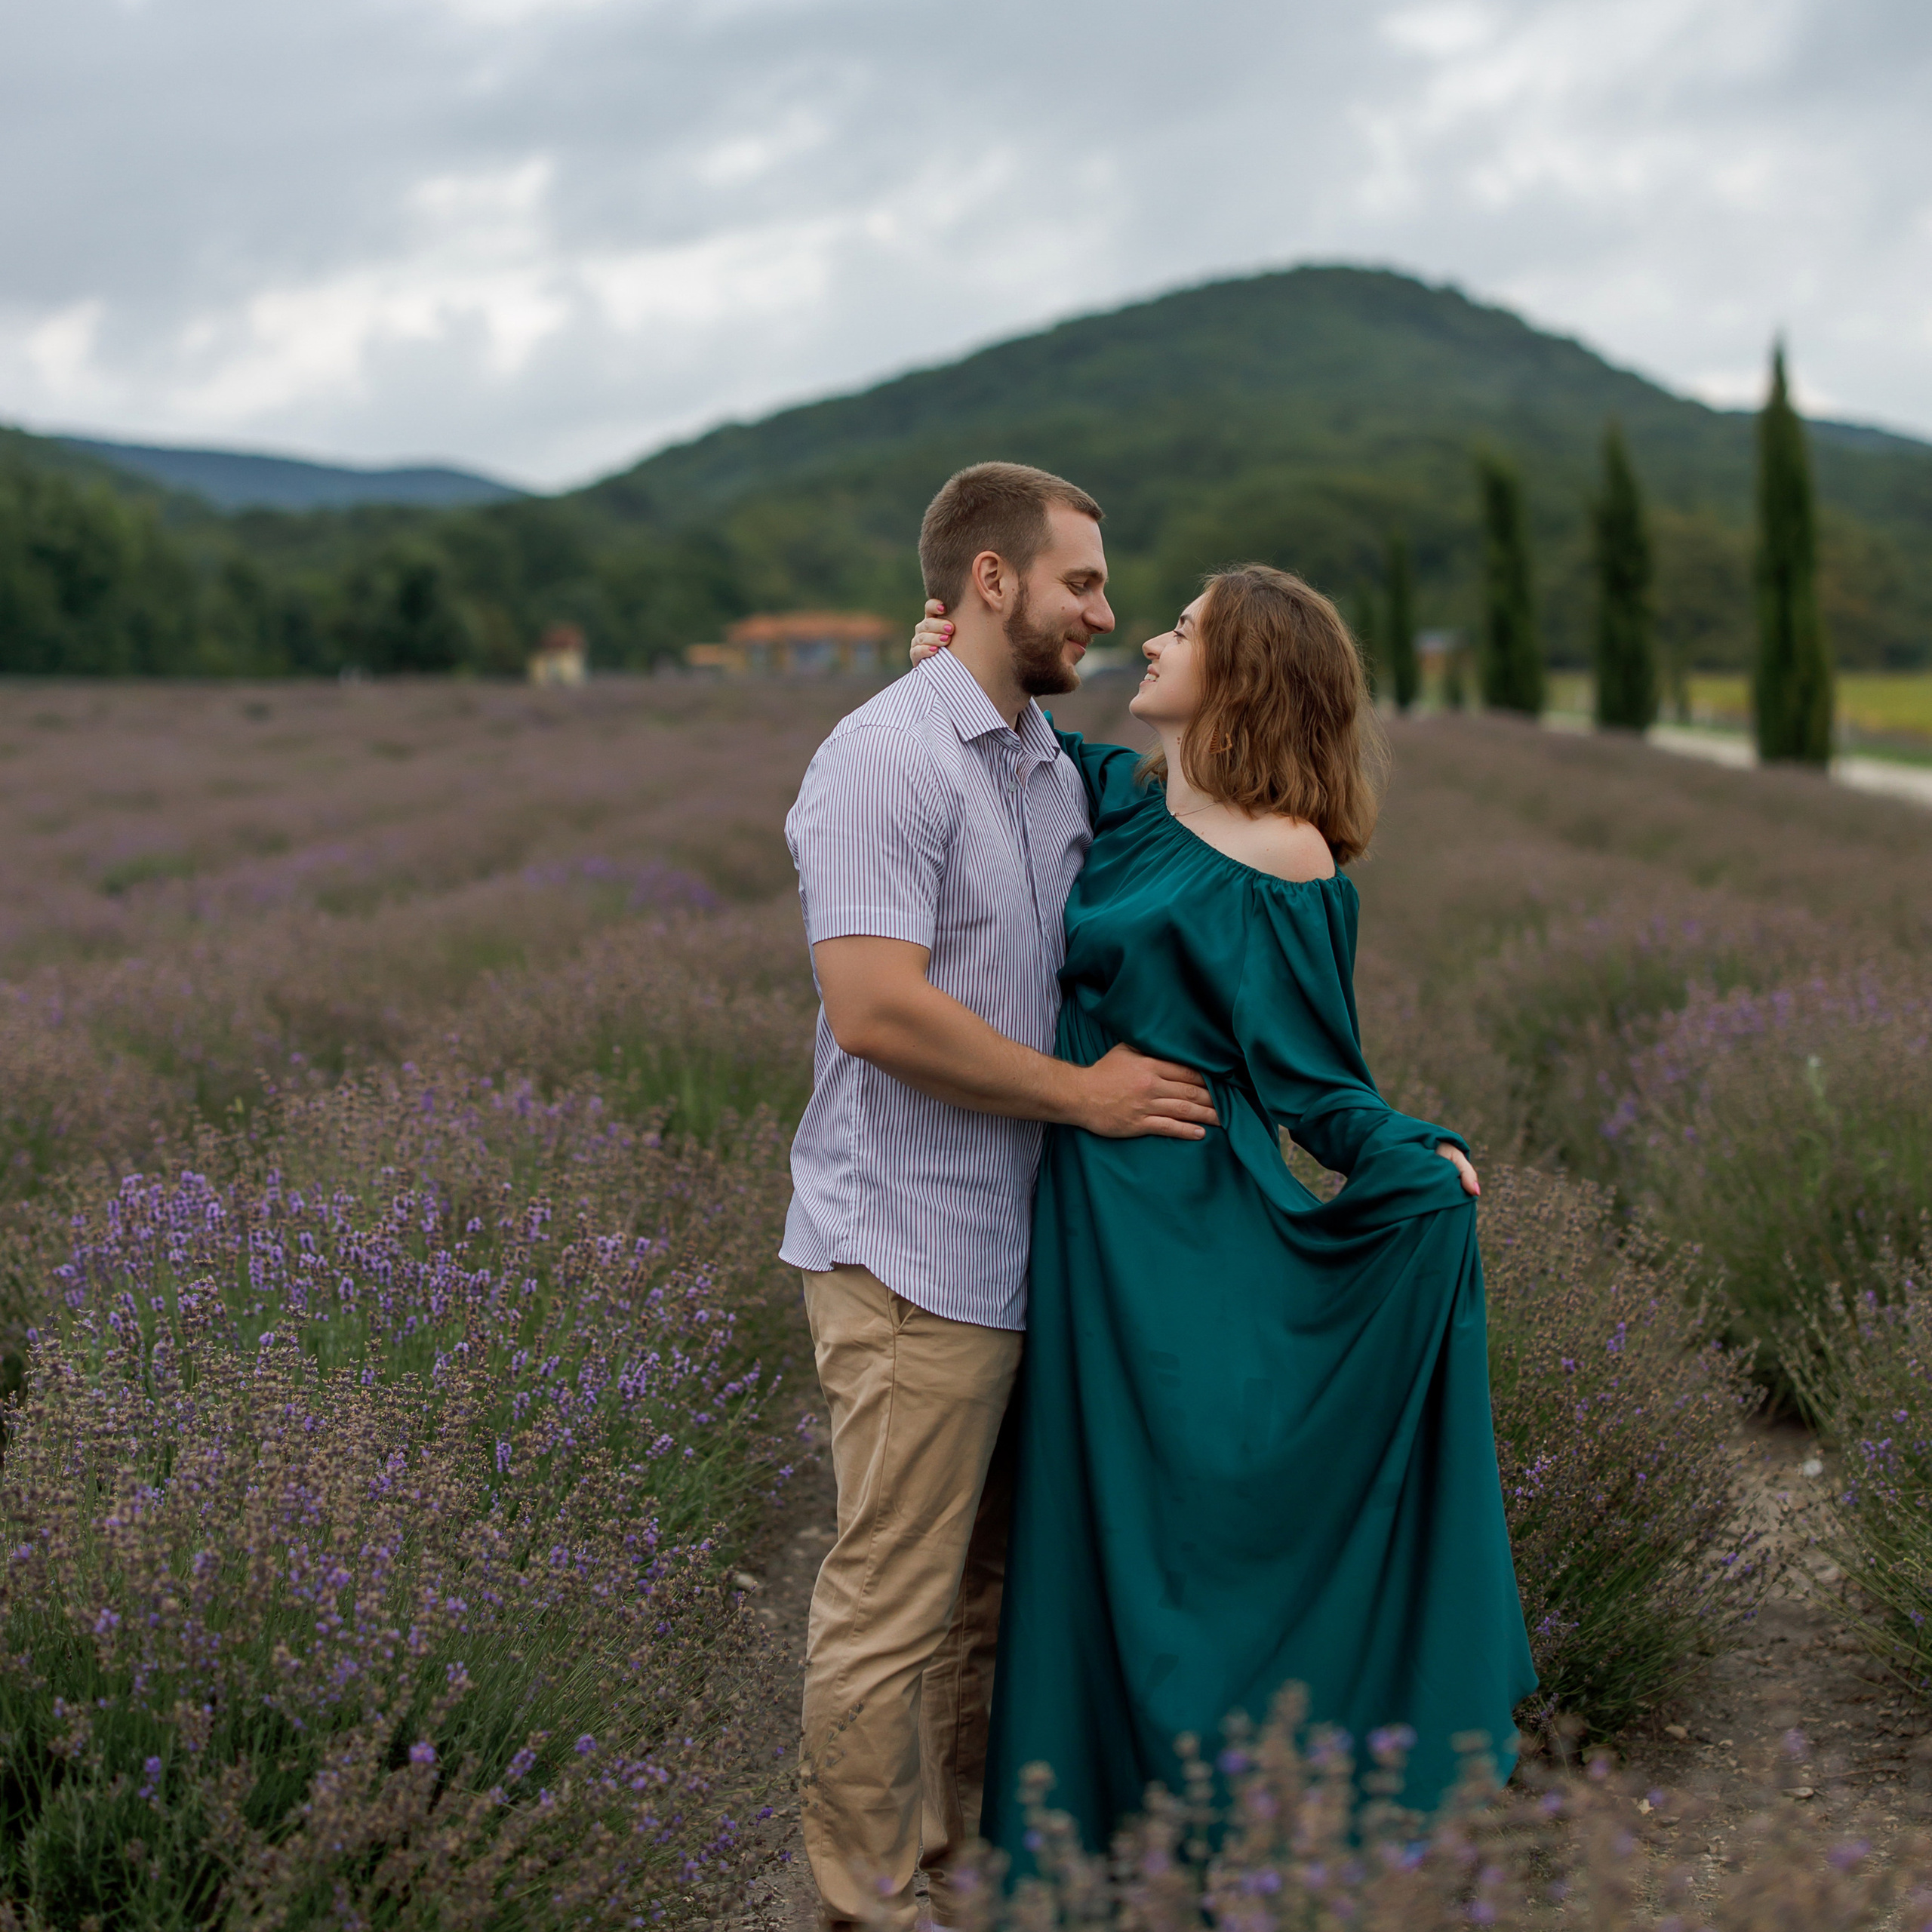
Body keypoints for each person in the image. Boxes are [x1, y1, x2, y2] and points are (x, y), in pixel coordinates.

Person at [907, 565, 1536, 1868]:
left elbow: (1319, 1085)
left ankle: (1225, 1840)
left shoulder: (1288, 855)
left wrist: (1418, 1157)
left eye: (1183, 630)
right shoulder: (1122, 801)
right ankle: (1098, 1852)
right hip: (1091, 1223)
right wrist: (954, 654)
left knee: (1180, 1547)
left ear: (1242, 671)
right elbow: (1017, 739)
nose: (1149, 636)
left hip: (1195, 1232)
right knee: (1090, 1542)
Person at [782, 461, 1221, 1932]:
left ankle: (962, 1870)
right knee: (890, 1602)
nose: (1105, 608)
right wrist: (1087, 1094)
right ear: (990, 581)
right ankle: (865, 1900)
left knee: (987, 1603)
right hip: (906, 1247)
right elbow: (875, 1011)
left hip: (1020, 1249)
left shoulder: (1038, 761)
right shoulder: (882, 759)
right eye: (1080, 581)